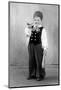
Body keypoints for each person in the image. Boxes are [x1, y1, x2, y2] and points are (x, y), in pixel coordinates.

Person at [25, 11, 48, 81]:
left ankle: (39, 75)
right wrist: (28, 30)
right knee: (31, 60)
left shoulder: (42, 29)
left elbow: (44, 39)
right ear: (33, 20)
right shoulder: (31, 27)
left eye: (38, 20)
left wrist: (45, 47)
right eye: (35, 20)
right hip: (31, 45)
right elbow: (26, 31)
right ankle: (32, 74)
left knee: (38, 60)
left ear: (41, 20)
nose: (36, 21)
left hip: (38, 46)